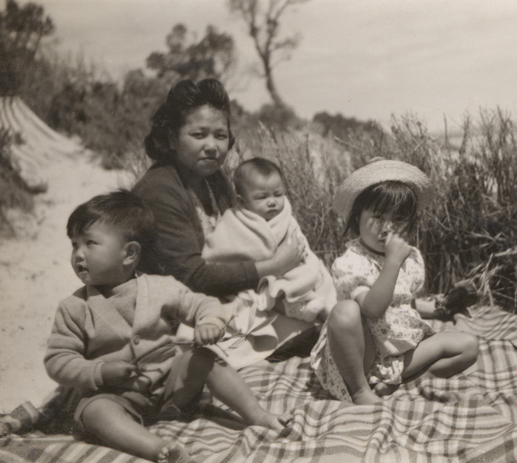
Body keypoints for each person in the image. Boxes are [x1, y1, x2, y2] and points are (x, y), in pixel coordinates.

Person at [44, 190, 290, 463]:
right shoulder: (74, 308)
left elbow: (201, 304)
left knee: (204, 358)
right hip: (115, 395)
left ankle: (257, 415)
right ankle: (158, 449)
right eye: (74, 245)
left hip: (171, 389)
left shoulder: (161, 288)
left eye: (89, 243)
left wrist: (209, 321)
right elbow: (58, 359)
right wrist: (99, 371)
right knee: (94, 412)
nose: (78, 255)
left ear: (130, 253)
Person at [131, 79, 311, 367]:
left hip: (218, 303)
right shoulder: (159, 190)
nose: (212, 147)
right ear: (172, 138)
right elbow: (191, 277)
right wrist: (274, 266)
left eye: (220, 135)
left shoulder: (214, 180)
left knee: (310, 324)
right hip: (174, 316)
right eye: (199, 134)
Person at [310, 159, 480, 405]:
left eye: (398, 219)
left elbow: (404, 303)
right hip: (362, 355)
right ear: (358, 215)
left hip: (401, 352)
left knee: (468, 345)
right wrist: (392, 263)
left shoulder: (408, 257)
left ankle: (406, 380)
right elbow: (372, 309)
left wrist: (441, 309)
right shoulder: (350, 263)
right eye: (377, 216)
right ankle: (360, 391)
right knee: (344, 311)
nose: (387, 228)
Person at [202, 157, 336, 325]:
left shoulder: (285, 217)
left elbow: (299, 244)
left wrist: (301, 260)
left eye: (278, 194)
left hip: (291, 267)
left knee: (313, 273)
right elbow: (218, 253)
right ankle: (297, 309)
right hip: (261, 277)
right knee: (270, 290)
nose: (272, 202)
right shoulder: (235, 221)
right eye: (262, 197)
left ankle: (326, 310)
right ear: (242, 201)